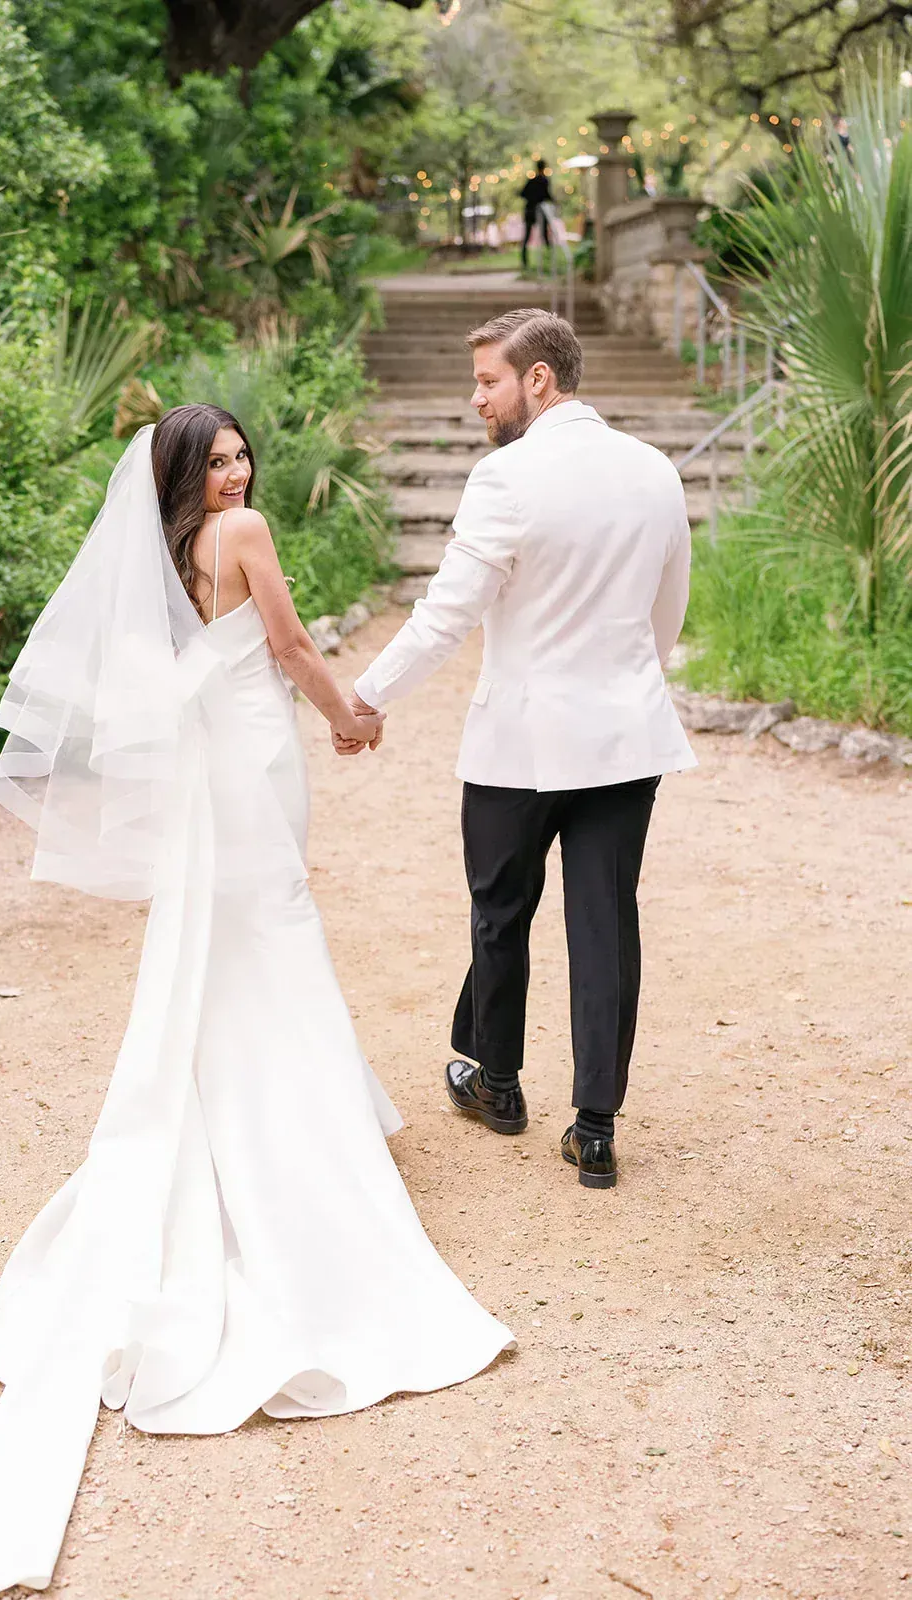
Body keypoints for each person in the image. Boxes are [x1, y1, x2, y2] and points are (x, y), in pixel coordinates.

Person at [0, 407, 513, 1600]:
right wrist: (349, 714)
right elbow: (294, 643)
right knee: (275, 932)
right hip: (255, 753)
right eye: (213, 459)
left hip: (222, 754)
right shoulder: (245, 530)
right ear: (185, 474)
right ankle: (293, 1134)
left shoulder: (160, 549)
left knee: (241, 942)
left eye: (240, 453)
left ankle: (254, 1102)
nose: (236, 471)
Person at [344, 310, 696, 1190]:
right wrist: (628, 683)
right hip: (624, 735)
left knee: (501, 910)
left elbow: (447, 613)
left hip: (520, 742)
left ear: (538, 380)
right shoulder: (654, 471)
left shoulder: (504, 476)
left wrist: (365, 695)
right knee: (605, 922)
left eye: (488, 382)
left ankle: (496, 1087)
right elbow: (669, 604)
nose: (476, 399)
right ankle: (596, 1128)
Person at [519, 158, 553, 269]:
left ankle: (526, 262)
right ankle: (549, 260)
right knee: (544, 236)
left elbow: (522, 193)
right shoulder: (544, 181)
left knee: (527, 237)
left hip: (530, 211)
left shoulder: (531, 181)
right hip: (538, 211)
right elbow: (547, 195)